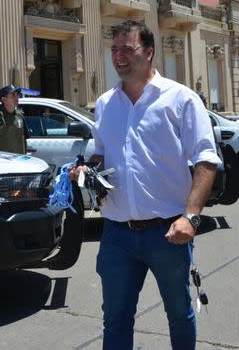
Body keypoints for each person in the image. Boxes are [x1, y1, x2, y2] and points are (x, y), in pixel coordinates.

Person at [71, 19, 220, 350]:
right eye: (114, 50)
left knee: (179, 315)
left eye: (128, 49)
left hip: (167, 232)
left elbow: (207, 160)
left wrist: (191, 217)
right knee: (116, 319)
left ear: (149, 52)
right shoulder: (106, 103)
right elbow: (102, 155)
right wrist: (86, 171)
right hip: (116, 235)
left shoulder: (180, 99)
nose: (119, 57)